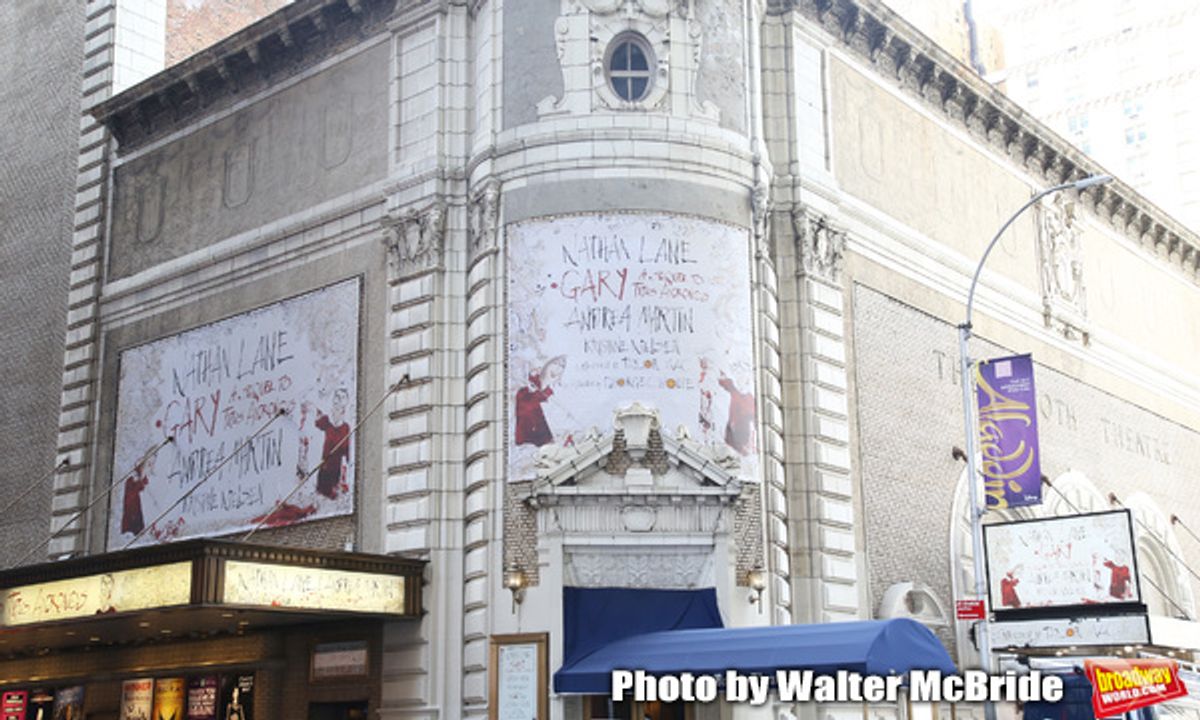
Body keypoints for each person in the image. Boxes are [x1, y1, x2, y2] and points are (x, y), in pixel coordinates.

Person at [515, 356, 565, 447]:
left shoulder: (550, 394)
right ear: (547, 365)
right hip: (527, 444)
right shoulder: (524, 392)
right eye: (556, 363)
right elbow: (526, 412)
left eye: (562, 366)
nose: (558, 368)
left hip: (546, 445)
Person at [312, 388, 351, 500]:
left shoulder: (346, 428)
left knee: (331, 498)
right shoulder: (327, 423)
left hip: (336, 471)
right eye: (337, 397)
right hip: (324, 468)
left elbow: (347, 454)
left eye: (342, 397)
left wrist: (344, 478)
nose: (338, 400)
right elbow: (317, 423)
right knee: (320, 497)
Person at [718, 373, 756, 455]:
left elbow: (752, 416)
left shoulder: (748, 398)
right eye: (739, 381)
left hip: (740, 427)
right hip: (734, 426)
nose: (741, 385)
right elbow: (727, 384)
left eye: (744, 382)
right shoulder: (736, 393)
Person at [121, 456, 152, 535]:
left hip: (138, 507)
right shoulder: (131, 480)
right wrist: (140, 484)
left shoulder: (142, 478)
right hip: (132, 509)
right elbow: (130, 496)